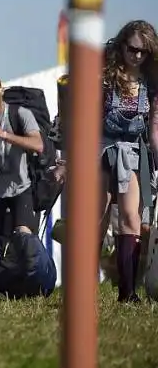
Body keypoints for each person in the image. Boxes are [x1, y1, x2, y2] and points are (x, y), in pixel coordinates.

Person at [100, 21, 158, 303]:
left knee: (131, 219)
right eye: (133, 49)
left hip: (133, 152)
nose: (136, 56)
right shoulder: (106, 76)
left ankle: (127, 292)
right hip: (100, 148)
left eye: (144, 52)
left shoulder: (151, 81)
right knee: (96, 219)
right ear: (122, 45)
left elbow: (154, 128)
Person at [0, 73, 44, 237]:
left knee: (24, 237)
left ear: (1, 92)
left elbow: (38, 145)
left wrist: (4, 134)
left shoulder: (20, 114)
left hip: (19, 187)